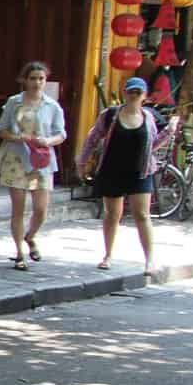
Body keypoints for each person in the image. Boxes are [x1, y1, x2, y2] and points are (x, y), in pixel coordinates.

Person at [78, 76, 158, 276]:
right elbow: (93, 137)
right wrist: (82, 161)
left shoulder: (148, 118)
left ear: (144, 96)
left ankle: (149, 260)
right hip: (112, 170)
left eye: (138, 93)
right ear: (125, 93)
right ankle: (107, 255)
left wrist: (172, 130)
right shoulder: (111, 115)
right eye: (130, 91)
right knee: (112, 214)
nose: (133, 96)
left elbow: (153, 143)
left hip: (140, 172)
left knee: (142, 215)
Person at [0, 60, 66, 271]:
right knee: (18, 209)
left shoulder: (52, 106)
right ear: (25, 80)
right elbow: (0, 129)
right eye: (33, 78)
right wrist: (17, 137)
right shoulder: (14, 102)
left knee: (41, 209)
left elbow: (61, 133)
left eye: (41, 78)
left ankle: (30, 236)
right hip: (17, 158)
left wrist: (47, 141)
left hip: (41, 160)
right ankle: (19, 253)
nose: (37, 82)